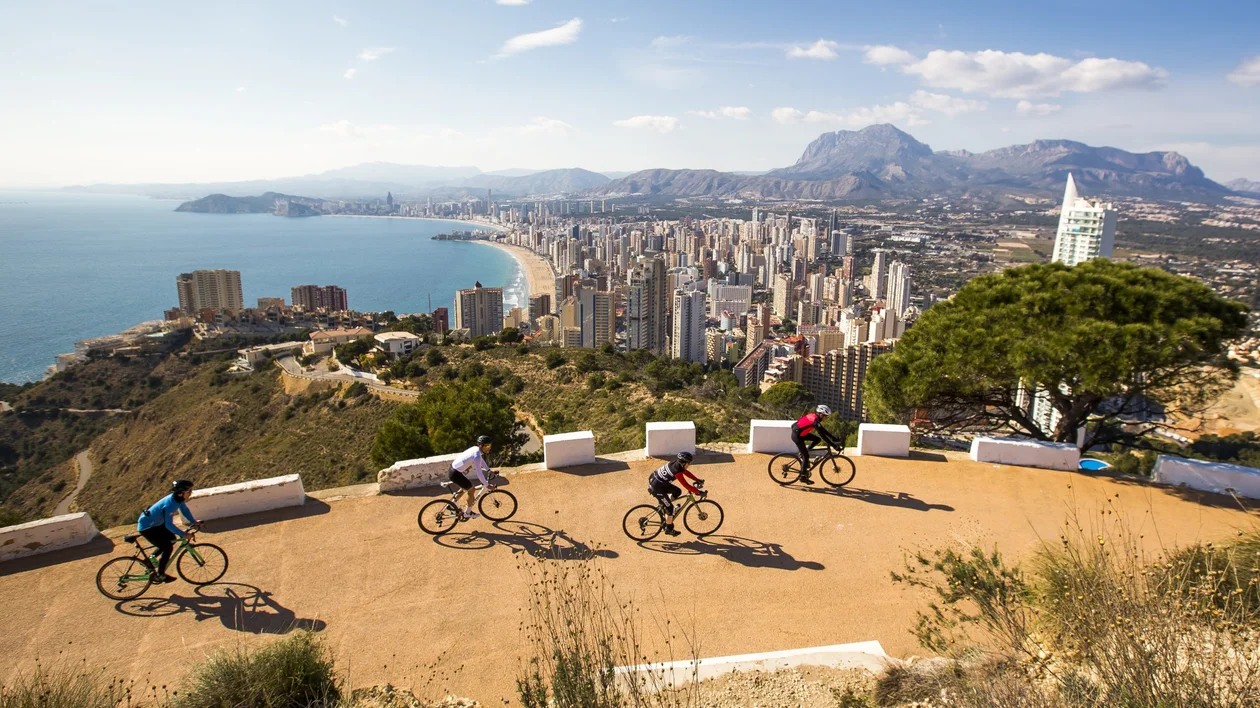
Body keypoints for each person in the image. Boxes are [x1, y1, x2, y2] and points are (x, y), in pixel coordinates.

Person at [137, 479, 200, 584]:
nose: (191, 493)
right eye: (189, 491)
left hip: (155, 523)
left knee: (171, 538)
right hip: (147, 527)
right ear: (181, 493)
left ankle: (149, 560)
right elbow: (169, 524)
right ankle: (160, 575)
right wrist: (184, 534)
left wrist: (194, 521)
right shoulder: (171, 504)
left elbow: (184, 510)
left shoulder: (178, 500)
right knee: (167, 547)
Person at [648, 451, 704, 536]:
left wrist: (697, 479)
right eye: (688, 463)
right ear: (684, 463)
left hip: (657, 481)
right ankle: (669, 529)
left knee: (677, 491)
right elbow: (686, 485)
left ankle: (665, 506)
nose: (689, 465)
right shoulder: (676, 471)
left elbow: (685, 472)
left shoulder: (676, 463)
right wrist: (698, 492)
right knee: (669, 507)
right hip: (657, 487)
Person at [791, 404, 842, 485]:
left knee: (817, 439)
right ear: (821, 414)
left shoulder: (815, 417)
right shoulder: (815, 421)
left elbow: (823, 430)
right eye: (825, 416)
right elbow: (823, 436)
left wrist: (834, 438)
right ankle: (803, 477)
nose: (826, 418)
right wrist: (834, 446)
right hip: (797, 436)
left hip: (799, 433)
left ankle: (805, 451)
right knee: (806, 456)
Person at [449, 435, 495, 520]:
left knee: (464, 487)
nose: (489, 448)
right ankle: (468, 513)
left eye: (490, 445)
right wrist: (487, 484)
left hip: (454, 470)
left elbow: (481, 461)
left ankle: (452, 504)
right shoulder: (476, 455)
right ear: (480, 445)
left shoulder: (476, 449)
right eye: (487, 446)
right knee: (472, 489)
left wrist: (488, 470)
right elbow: (479, 473)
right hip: (455, 473)